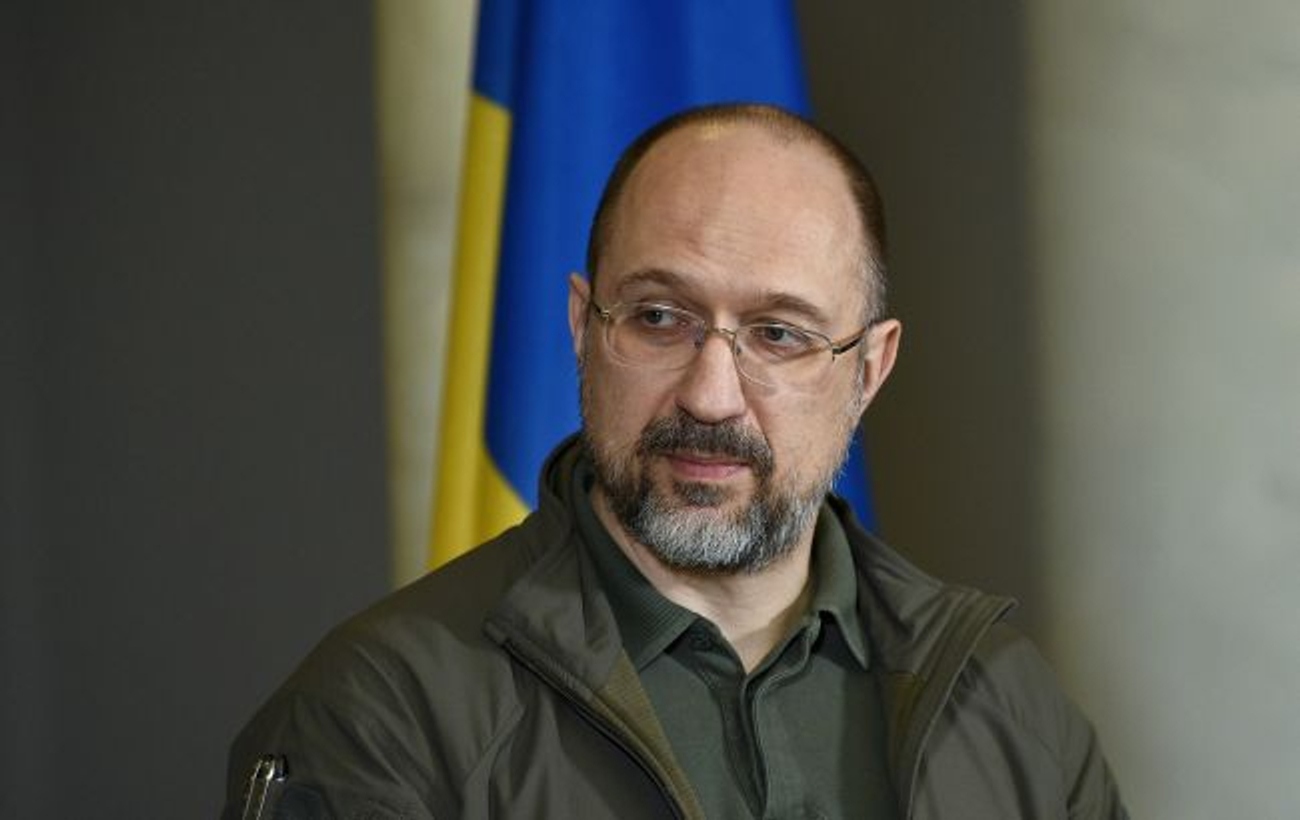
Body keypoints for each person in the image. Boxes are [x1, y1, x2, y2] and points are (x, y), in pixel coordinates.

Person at [223, 103, 1127, 819]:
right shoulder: (385, 710)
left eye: (779, 334)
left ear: (870, 369)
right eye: (659, 317)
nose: (711, 395)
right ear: (583, 327)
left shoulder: (1010, 710)